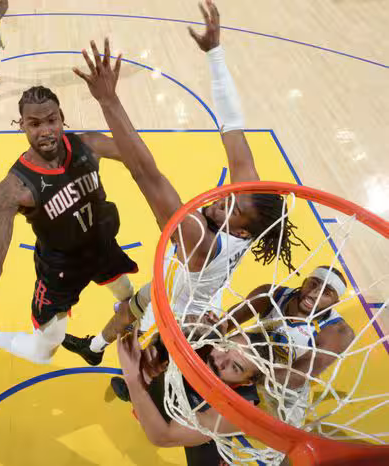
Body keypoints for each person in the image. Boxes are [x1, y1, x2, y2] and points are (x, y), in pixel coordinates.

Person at [63, 0, 306, 366]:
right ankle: (94, 348)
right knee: (130, 307)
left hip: (183, 314)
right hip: (190, 282)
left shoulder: (198, 236)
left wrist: (109, 101)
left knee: (148, 363)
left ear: (242, 232)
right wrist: (215, 54)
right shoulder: (250, 206)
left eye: (232, 209)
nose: (223, 200)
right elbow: (232, 122)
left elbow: (146, 173)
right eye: (232, 198)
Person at [0, 85, 139, 376]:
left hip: (101, 246)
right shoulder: (14, 189)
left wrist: (111, 102)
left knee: (126, 293)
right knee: (44, 351)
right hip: (61, 269)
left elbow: (137, 155)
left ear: (62, 118)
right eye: (35, 124)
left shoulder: (89, 145)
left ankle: (124, 319)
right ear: (21, 125)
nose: (45, 131)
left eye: (51, 120)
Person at [113, 327, 270, 465]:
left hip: (207, 433)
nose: (219, 361)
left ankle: (138, 390)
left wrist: (133, 379)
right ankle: (139, 392)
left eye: (234, 367)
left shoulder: (240, 408)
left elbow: (163, 436)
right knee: (162, 353)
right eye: (224, 347)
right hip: (182, 393)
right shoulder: (207, 340)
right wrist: (148, 368)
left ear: (247, 381)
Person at [216, 265, 355, 390]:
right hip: (245, 364)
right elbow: (227, 323)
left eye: (326, 293)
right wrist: (213, 334)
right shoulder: (271, 294)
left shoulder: (338, 332)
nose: (314, 294)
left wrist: (249, 374)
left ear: (334, 303)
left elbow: (297, 377)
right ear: (304, 282)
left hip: (285, 390)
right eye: (313, 284)